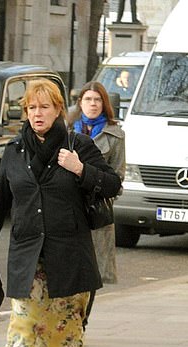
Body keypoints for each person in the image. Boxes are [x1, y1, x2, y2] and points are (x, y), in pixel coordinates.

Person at [0, 79, 121, 347]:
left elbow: (113, 184)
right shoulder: (14, 152)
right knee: (23, 319)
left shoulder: (79, 144)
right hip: (27, 252)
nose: (37, 113)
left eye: (44, 107)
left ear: (59, 109)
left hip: (70, 251)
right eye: (31, 107)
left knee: (69, 321)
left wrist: (81, 169)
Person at [70, 81, 125, 286]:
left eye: (97, 100)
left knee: (93, 276)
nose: (93, 104)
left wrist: (98, 192)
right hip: (67, 208)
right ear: (80, 103)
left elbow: (118, 177)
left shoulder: (115, 135)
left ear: (104, 104)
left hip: (95, 211)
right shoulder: (67, 130)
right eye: (88, 99)